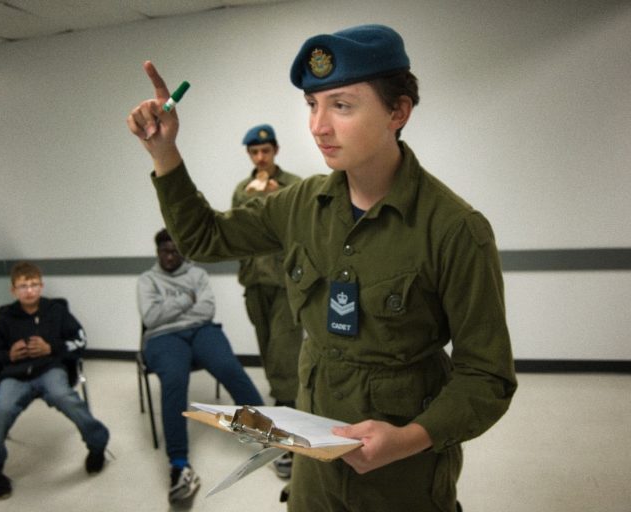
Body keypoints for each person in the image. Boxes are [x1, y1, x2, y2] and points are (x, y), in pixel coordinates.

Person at [127, 24, 517, 512]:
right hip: (314, 455)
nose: (318, 126)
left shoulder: (454, 229)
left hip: (403, 474)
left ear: (398, 111)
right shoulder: (302, 206)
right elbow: (205, 238)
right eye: (313, 104)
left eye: (342, 106)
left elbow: (487, 377)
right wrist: (165, 153)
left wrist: (410, 438)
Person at [137, 228, 264, 504]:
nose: (170, 256)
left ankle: (273, 436)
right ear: (158, 252)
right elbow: (151, 317)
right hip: (163, 337)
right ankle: (179, 465)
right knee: (174, 380)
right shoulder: (147, 280)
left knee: (229, 367)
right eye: (164, 251)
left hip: (201, 330)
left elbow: (206, 310)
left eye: (175, 251)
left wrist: (171, 307)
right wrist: (186, 299)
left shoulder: (198, 275)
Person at [0, 262, 109, 499]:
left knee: (64, 396)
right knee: (2, 410)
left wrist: (51, 348)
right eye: (23, 286)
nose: (29, 291)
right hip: (14, 375)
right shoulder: (6, 318)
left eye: (34, 285)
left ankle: (97, 446)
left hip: (50, 368)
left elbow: (80, 340)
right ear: (13, 290)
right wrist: (9, 355)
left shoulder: (56, 311)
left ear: (41, 285)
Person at [232, 124, 304, 479]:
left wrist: (272, 195)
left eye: (265, 151)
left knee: (284, 352)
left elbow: (298, 222)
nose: (260, 158)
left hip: (287, 282)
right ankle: (283, 406)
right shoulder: (241, 190)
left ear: (275, 151)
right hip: (255, 281)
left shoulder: (293, 186)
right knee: (267, 348)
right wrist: (253, 196)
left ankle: (286, 436)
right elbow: (238, 228)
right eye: (254, 153)